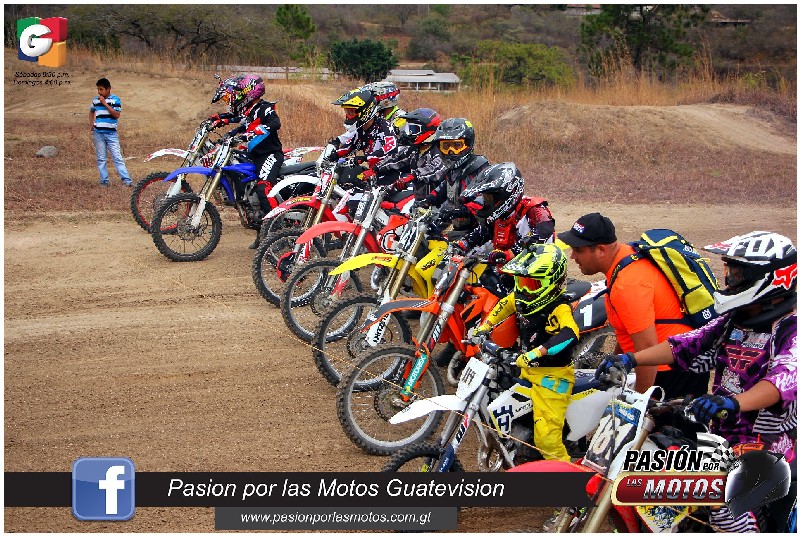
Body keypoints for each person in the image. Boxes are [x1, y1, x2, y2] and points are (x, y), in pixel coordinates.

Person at [595, 230, 797, 532]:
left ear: (771, 278)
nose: (730, 280)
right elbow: (686, 345)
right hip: (722, 440)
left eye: (738, 274)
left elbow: (782, 381)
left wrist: (731, 403)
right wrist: (631, 359)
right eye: (730, 271)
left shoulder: (790, 329)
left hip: (770, 447)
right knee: (666, 476)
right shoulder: (733, 320)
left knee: (724, 510)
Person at [556, 212, 710, 400]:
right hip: (671, 363)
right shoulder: (625, 260)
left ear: (601, 250)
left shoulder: (628, 284)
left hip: (673, 370)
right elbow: (629, 329)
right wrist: (615, 362)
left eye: (578, 250)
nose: (573, 256)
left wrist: (638, 401)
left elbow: (647, 348)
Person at [472, 243, 580, 462]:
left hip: (552, 378)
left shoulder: (559, 308)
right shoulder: (522, 298)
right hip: (525, 369)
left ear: (551, 281)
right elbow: (506, 303)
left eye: (530, 284)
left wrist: (538, 352)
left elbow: (570, 334)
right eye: (520, 282)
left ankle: (565, 473)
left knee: (547, 440)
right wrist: (485, 326)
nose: (523, 289)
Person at [210, 74, 282, 248]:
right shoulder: (250, 111)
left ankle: (278, 232)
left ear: (249, 92)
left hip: (270, 154)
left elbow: (275, 123)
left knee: (263, 188)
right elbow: (244, 124)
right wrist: (230, 133)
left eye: (238, 94)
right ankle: (261, 232)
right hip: (254, 156)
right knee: (249, 193)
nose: (236, 97)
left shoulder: (265, 108)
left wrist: (255, 132)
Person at [419, 118, 489, 231]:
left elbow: (484, 198)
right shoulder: (453, 170)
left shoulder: (479, 167)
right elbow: (444, 188)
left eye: (456, 146)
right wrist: (428, 200)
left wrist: (461, 210)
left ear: (468, 144)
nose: (451, 151)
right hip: (458, 226)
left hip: (478, 230)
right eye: (446, 147)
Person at [369, 108, 447, 200]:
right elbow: (396, 159)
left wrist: (412, 176)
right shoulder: (415, 150)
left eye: (414, 129)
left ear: (428, 130)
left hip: (438, 202)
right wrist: (375, 168)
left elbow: (435, 169)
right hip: (420, 201)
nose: (409, 133)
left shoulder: (440, 151)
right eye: (409, 128)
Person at [318, 86, 399, 173]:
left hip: (391, 172)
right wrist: (333, 155)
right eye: (347, 112)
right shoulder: (361, 129)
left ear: (365, 111)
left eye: (351, 112)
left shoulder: (384, 126)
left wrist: (365, 158)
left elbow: (392, 148)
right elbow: (350, 145)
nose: (348, 115)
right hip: (374, 172)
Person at [90, 78, 133, 188]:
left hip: (111, 134)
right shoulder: (95, 100)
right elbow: (91, 111)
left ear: (108, 89)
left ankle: (127, 180)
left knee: (117, 157)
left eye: (101, 89)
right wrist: (91, 124)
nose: (99, 92)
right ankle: (104, 180)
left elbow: (116, 115)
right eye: (98, 89)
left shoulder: (115, 100)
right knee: (101, 158)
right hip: (98, 133)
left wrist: (104, 103)